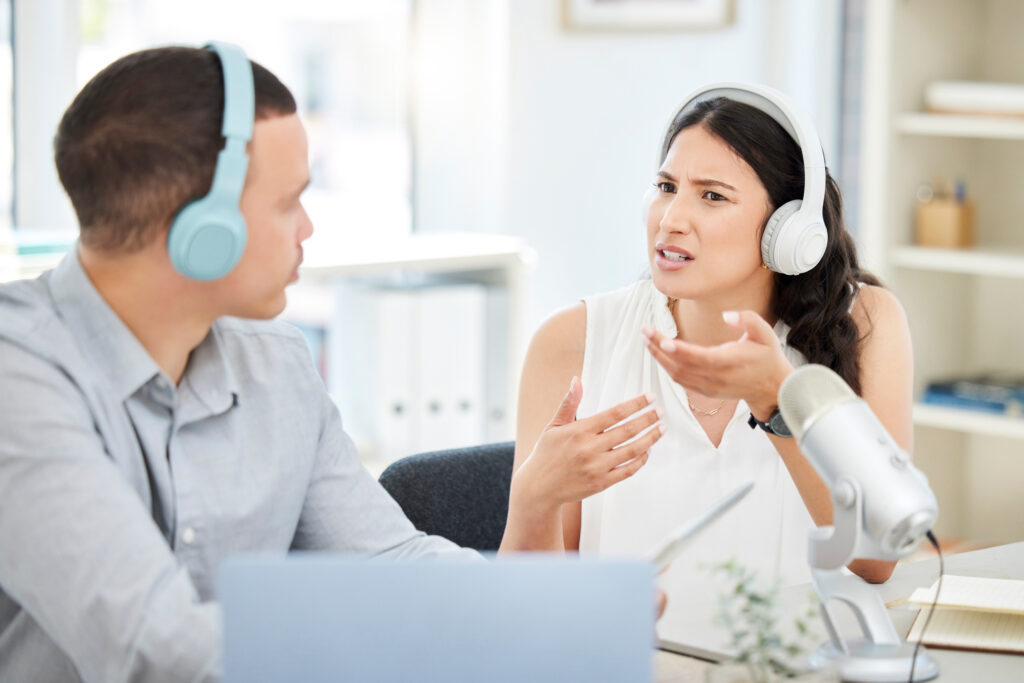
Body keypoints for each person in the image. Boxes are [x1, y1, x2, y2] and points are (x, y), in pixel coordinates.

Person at [0, 45, 665, 682]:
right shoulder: (19, 374)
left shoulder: (276, 366)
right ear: (203, 228)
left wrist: (561, 614)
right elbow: (157, 648)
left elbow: (390, 563)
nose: (307, 229)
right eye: (289, 202)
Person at [501, 84, 913, 632]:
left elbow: (876, 556)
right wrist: (534, 498)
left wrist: (777, 400)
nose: (671, 218)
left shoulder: (864, 325)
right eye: (666, 186)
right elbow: (527, 614)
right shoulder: (572, 341)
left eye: (712, 195)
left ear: (788, 230)